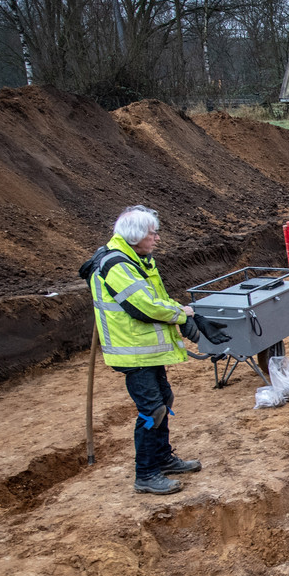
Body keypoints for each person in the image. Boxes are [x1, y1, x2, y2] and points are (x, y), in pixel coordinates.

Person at [89, 205, 201, 495]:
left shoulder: (137, 259)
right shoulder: (117, 265)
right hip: (133, 351)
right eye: (153, 233)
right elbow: (145, 306)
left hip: (145, 349)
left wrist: (178, 313)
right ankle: (146, 474)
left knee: (164, 400)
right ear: (136, 236)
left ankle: (162, 459)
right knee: (152, 410)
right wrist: (182, 313)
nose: (157, 238)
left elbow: (155, 297)